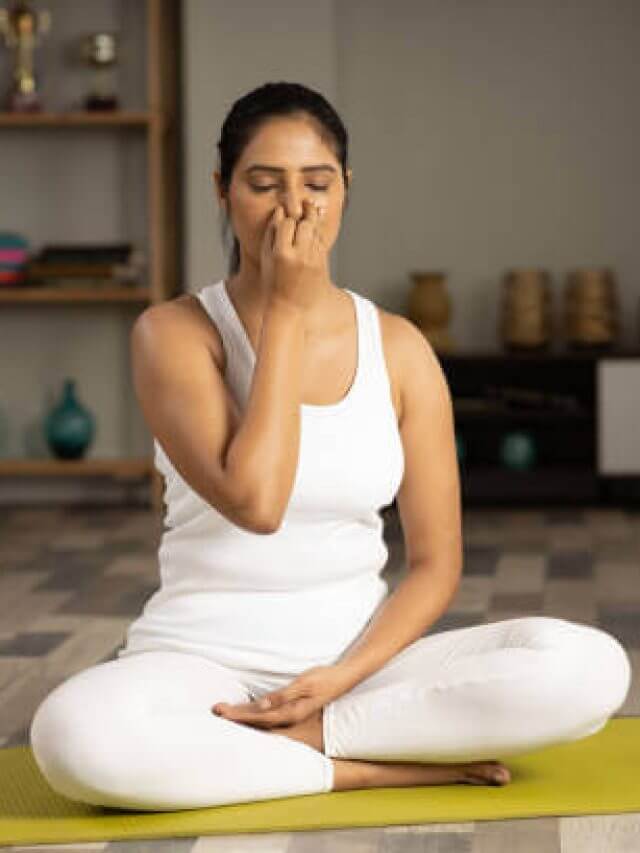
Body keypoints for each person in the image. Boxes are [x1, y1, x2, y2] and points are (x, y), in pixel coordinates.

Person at [29, 82, 631, 811]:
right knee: (73, 738)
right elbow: (258, 502)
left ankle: (313, 736)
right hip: (199, 662)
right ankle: (361, 765)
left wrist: (340, 681)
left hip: (361, 665)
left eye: (317, 183)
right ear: (222, 192)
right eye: (263, 184)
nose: (295, 207)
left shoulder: (401, 348)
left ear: (346, 189)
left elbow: (437, 565)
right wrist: (283, 307)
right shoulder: (174, 334)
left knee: (590, 669)